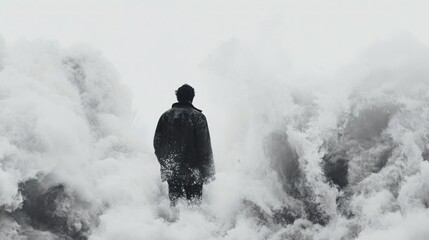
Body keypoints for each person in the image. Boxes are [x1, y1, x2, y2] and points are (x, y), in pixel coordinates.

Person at [154, 84, 215, 206]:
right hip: (194, 173)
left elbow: (157, 144)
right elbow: (204, 147)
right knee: (194, 209)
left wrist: (167, 165)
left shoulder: (165, 116)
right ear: (192, 98)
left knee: (176, 208)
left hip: (173, 172)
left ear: (177, 97)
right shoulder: (198, 117)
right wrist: (208, 172)